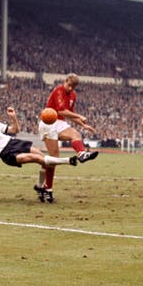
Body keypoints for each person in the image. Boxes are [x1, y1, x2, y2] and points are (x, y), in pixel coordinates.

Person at [0, 107, 77, 190]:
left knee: (44, 160)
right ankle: (68, 161)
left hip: (14, 143)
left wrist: (13, 117)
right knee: (37, 158)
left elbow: (15, 130)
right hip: (7, 154)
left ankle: (39, 186)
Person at [36, 73, 98, 203]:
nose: (70, 89)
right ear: (66, 81)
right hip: (49, 123)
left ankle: (81, 154)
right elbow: (61, 111)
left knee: (76, 135)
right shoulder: (58, 90)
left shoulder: (73, 95)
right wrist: (80, 116)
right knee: (53, 159)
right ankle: (47, 189)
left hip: (60, 123)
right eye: (69, 85)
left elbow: (70, 115)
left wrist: (83, 125)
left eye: (73, 87)